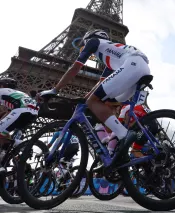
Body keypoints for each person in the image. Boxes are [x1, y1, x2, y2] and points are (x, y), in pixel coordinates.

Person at [39, 29, 151, 163]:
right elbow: (101, 83)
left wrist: (55, 90)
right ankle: (118, 144)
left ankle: (123, 135)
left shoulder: (94, 41)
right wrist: (86, 98)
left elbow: (75, 68)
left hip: (132, 65)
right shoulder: (112, 56)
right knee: (104, 102)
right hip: (142, 67)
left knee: (94, 102)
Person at [0, 78, 39, 172]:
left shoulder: (1, 91)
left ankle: (1, 164)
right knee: (4, 129)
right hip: (33, 113)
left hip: (21, 111)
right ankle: (17, 144)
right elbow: (8, 113)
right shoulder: (19, 93)